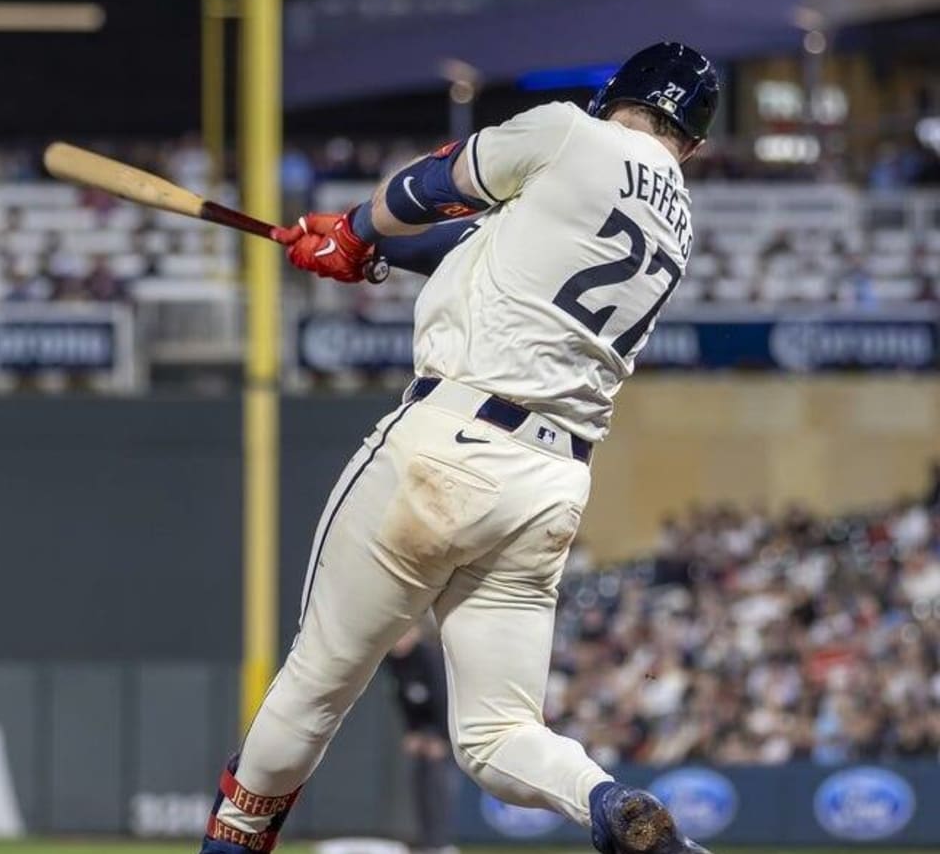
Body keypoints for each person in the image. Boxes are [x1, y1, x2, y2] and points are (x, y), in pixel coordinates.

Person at [198, 42, 721, 854]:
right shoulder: (677, 219)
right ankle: (612, 804)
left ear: (617, 93)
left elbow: (432, 184)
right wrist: (355, 245)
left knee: (315, 685)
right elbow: (478, 247)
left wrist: (358, 228)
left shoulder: (566, 135)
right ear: (690, 135)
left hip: (449, 440)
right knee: (498, 734)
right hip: (549, 484)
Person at [384, 627, 457, 854]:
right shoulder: (395, 661)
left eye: (403, 634)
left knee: (438, 783)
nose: (398, 641)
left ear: (415, 632)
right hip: (423, 727)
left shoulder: (429, 656)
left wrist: (443, 738)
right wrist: (412, 731)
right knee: (419, 782)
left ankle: (440, 843)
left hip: (447, 725)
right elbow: (403, 697)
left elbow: (445, 698)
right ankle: (426, 840)